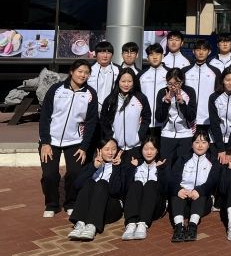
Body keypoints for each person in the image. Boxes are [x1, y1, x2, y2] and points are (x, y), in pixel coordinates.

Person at [39, 60, 97, 217]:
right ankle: (51, 204)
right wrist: (45, 142)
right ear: (72, 72)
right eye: (80, 71)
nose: (83, 75)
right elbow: (45, 116)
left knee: (75, 173)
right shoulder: (56, 89)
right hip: (51, 140)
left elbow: (91, 122)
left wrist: (84, 147)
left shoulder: (90, 94)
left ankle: (71, 202)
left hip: (75, 141)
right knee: (49, 175)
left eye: (86, 72)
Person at [168, 129, 221, 242]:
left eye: (204, 142)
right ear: (192, 144)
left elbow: (213, 181)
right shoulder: (183, 159)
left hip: (201, 203)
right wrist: (179, 190)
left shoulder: (213, 161)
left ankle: (192, 226)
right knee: (176, 193)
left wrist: (199, 191)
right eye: (197, 142)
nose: (200, 145)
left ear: (208, 145)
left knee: (200, 192)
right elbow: (173, 178)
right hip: (183, 202)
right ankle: (179, 227)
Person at [67, 137, 124, 241]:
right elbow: (77, 185)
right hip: (89, 209)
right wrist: (94, 167)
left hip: (110, 208)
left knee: (102, 183)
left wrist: (116, 168)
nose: (110, 153)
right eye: (107, 149)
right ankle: (80, 223)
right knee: (89, 182)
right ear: (99, 150)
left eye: (114, 149)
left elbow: (115, 191)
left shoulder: (121, 167)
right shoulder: (92, 165)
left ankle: (92, 226)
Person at [100, 68, 151, 165]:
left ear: (134, 82)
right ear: (118, 81)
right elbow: (103, 119)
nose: (126, 84)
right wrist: (111, 136)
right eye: (123, 81)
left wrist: (139, 136)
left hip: (135, 146)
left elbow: (147, 118)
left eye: (129, 81)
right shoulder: (110, 99)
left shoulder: (141, 98)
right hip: (115, 147)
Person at [121, 136, 168, 240]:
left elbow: (165, 189)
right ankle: (131, 224)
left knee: (151, 184)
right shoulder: (136, 165)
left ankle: (143, 224)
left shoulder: (161, 165)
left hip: (154, 209)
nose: (149, 152)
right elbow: (126, 189)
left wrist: (161, 170)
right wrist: (131, 168)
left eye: (152, 149)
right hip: (135, 208)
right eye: (146, 149)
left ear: (157, 151)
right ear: (141, 150)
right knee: (136, 184)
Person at [155, 68, 197, 168]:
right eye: (170, 84)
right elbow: (159, 118)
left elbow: (192, 116)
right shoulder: (162, 92)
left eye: (176, 83)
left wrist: (182, 103)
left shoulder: (189, 91)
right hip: (167, 134)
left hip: (185, 134)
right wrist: (166, 103)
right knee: (165, 166)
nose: (173, 87)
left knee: (182, 167)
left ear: (182, 82)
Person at [208, 66, 231, 165]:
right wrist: (221, 149)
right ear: (222, 81)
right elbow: (214, 123)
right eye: (227, 80)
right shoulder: (214, 97)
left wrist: (230, 150)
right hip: (216, 140)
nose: (230, 83)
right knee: (217, 167)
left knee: (230, 166)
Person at [184, 39, 221, 128]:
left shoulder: (215, 71)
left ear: (209, 52)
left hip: (208, 117)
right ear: (193, 51)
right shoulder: (185, 71)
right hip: (188, 116)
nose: (201, 52)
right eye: (198, 49)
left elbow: (219, 94)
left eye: (204, 50)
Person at [139, 43, 169, 138]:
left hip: (165, 121)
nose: (155, 57)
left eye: (157, 54)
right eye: (151, 54)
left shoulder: (170, 73)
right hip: (145, 121)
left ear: (162, 56)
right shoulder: (141, 75)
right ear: (147, 58)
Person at [88, 40, 120, 112]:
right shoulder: (89, 69)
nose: (105, 56)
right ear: (96, 54)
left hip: (111, 110)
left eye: (108, 53)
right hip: (91, 109)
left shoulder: (118, 70)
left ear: (112, 55)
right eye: (102, 52)